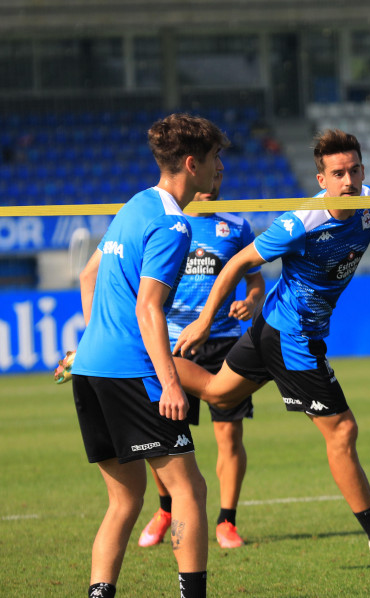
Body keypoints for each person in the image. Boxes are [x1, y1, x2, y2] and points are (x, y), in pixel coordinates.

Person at [170, 128, 370, 579]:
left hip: (277, 327)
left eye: (355, 170)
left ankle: (134, 359)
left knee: (215, 393)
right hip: (291, 337)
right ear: (322, 179)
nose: (349, 181)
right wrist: (205, 321)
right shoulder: (300, 222)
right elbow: (237, 263)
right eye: (338, 173)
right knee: (342, 431)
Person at [67, 113, 228, 598]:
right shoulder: (173, 224)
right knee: (189, 491)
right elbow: (149, 307)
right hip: (134, 374)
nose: (220, 168)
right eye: (216, 159)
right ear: (191, 163)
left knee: (125, 500)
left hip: (90, 368)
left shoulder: (136, 204)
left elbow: (87, 276)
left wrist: (92, 340)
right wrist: (171, 383)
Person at [137, 169, 265, 551]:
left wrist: (252, 300)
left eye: (222, 174)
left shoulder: (237, 226)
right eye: (212, 171)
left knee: (229, 435)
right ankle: (165, 510)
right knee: (163, 437)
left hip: (224, 344)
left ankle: (227, 521)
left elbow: (255, 279)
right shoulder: (164, 223)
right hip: (172, 346)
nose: (216, 181)